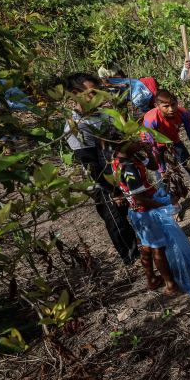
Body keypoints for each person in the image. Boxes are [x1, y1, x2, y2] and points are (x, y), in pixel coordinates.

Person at [63, 73, 140, 265]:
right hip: (102, 182)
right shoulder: (75, 127)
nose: (98, 96)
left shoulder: (105, 115)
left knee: (136, 210)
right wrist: (112, 191)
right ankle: (132, 259)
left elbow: (122, 142)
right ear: (75, 94)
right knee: (116, 220)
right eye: (92, 93)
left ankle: (145, 248)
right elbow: (91, 164)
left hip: (122, 173)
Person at [111, 138, 179, 295]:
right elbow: (140, 199)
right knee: (158, 249)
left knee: (147, 246)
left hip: (137, 211)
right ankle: (171, 285)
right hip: (144, 213)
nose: (138, 142)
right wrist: (165, 204)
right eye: (134, 140)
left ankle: (152, 279)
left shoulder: (128, 157)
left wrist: (147, 151)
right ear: (124, 144)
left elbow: (154, 166)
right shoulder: (128, 168)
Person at [142, 89, 190, 206]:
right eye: (166, 106)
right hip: (156, 147)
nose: (171, 109)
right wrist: (162, 169)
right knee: (164, 179)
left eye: (173, 104)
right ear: (156, 106)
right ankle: (172, 204)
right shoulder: (150, 120)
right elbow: (152, 147)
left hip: (174, 142)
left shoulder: (182, 113)